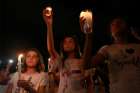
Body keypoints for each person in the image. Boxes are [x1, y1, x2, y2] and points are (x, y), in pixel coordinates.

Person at [43, 7, 95, 93]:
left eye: (71, 41)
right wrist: (49, 25)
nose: (67, 44)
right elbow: (51, 48)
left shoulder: (83, 61)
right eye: (65, 42)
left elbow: (89, 83)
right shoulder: (61, 62)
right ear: (62, 46)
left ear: (76, 45)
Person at [91, 17, 140, 93]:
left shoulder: (137, 47)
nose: (117, 24)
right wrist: (88, 35)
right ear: (111, 32)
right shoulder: (107, 49)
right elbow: (87, 65)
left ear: (128, 29)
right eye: (113, 24)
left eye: (120, 22)